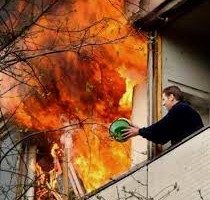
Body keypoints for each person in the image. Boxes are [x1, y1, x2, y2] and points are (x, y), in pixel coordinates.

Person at [122, 85, 204, 145]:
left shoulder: (180, 108)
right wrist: (140, 131)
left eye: (164, 99)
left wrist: (139, 131)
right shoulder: (184, 111)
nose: (163, 104)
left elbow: (160, 126)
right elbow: (161, 138)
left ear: (171, 97)